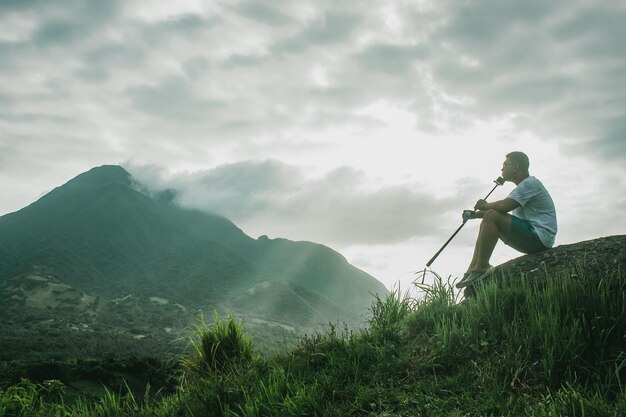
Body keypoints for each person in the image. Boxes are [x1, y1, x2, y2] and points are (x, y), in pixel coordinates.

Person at [457, 151, 557, 288]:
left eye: (505, 164)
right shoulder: (523, 188)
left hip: (539, 237)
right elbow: (500, 210)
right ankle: (472, 269)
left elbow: (504, 206)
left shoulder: (530, 183)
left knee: (491, 215)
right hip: (532, 236)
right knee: (490, 215)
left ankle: (481, 267)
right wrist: (474, 214)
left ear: (516, 166)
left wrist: (484, 205)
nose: (502, 168)